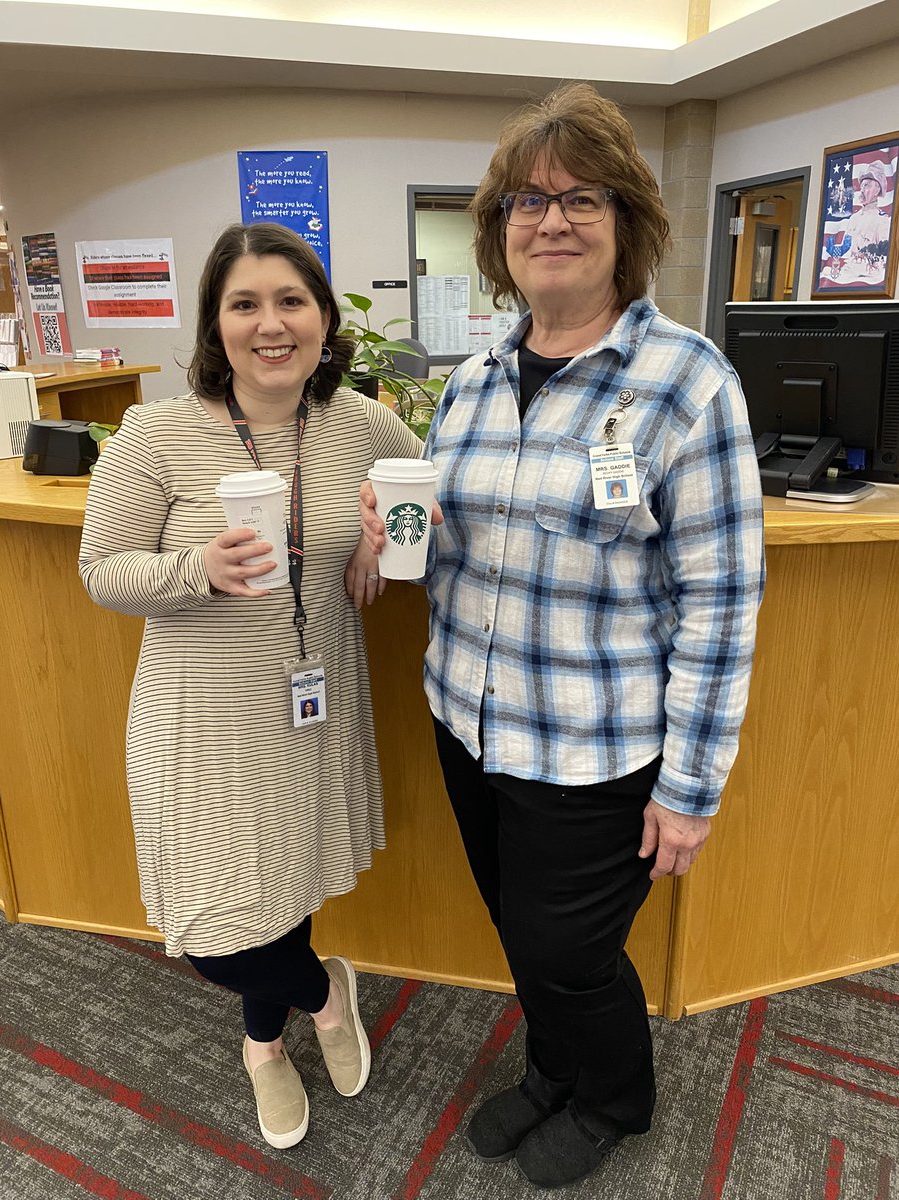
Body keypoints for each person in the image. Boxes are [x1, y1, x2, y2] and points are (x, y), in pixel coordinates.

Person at [361, 84, 764, 1189]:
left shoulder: (688, 383)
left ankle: (615, 1097)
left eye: (580, 196)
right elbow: (452, 564)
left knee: (569, 951)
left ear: (626, 221)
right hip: (472, 723)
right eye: (526, 203)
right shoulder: (472, 384)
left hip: (593, 744)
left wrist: (691, 787)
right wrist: (405, 535)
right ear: (498, 234)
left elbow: (722, 602)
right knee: (519, 931)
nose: (552, 220)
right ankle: (554, 1070)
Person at [79, 222, 421, 1150]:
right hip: (197, 715)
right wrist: (199, 568)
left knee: (283, 889)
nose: (271, 325)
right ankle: (322, 992)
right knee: (219, 933)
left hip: (310, 707)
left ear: (320, 317)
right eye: (244, 304)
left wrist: (386, 548)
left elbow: (426, 504)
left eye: (291, 301)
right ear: (214, 323)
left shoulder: (365, 423)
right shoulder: (156, 432)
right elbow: (102, 570)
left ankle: (265, 1047)